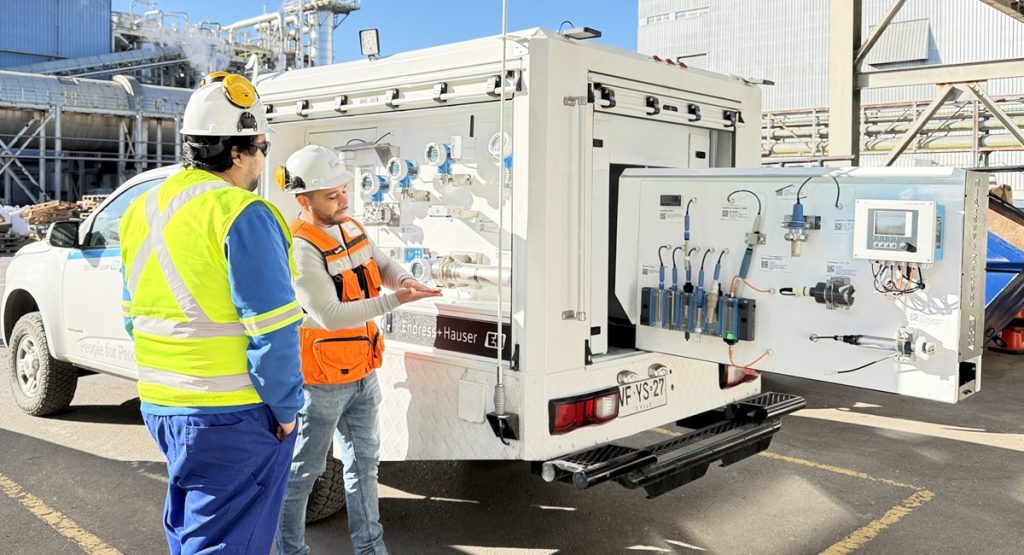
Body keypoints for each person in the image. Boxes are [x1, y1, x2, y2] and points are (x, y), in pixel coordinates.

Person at [119, 72, 305, 554]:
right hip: (232, 416)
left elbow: (132, 316)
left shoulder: (141, 209)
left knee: (193, 534)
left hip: (162, 407)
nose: (263, 159)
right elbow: (274, 331)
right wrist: (286, 411)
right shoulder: (243, 212)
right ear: (238, 152)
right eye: (262, 147)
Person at [274, 145, 441, 555]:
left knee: (365, 467)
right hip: (320, 385)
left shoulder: (350, 226)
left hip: (363, 375)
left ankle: (371, 549)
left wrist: (404, 281)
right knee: (302, 475)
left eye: (343, 191)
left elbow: (381, 264)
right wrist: (395, 301)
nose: (343, 200)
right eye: (331, 195)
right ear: (304, 201)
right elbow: (330, 315)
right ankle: (292, 551)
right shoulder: (300, 247)